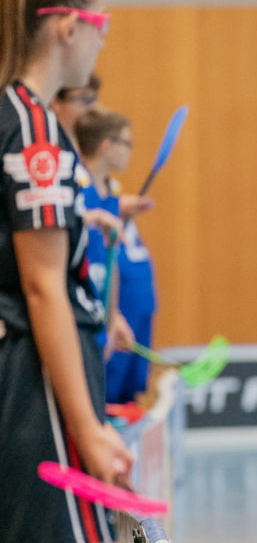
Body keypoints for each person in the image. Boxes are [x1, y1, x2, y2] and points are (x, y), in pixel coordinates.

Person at [1, 0, 134, 543]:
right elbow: (45, 288)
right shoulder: (35, 129)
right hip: (32, 397)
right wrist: (86, 427)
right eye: (101, 20)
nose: (103, 36)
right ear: (64, 23)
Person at [75, 106, 156, 403]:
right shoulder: (77, 188)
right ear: (107, 146)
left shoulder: (110, 192)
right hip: (82, 311)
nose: (130, 151)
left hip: (105, 308)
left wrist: (114, 315)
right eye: (127, 143)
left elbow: (110, 261)